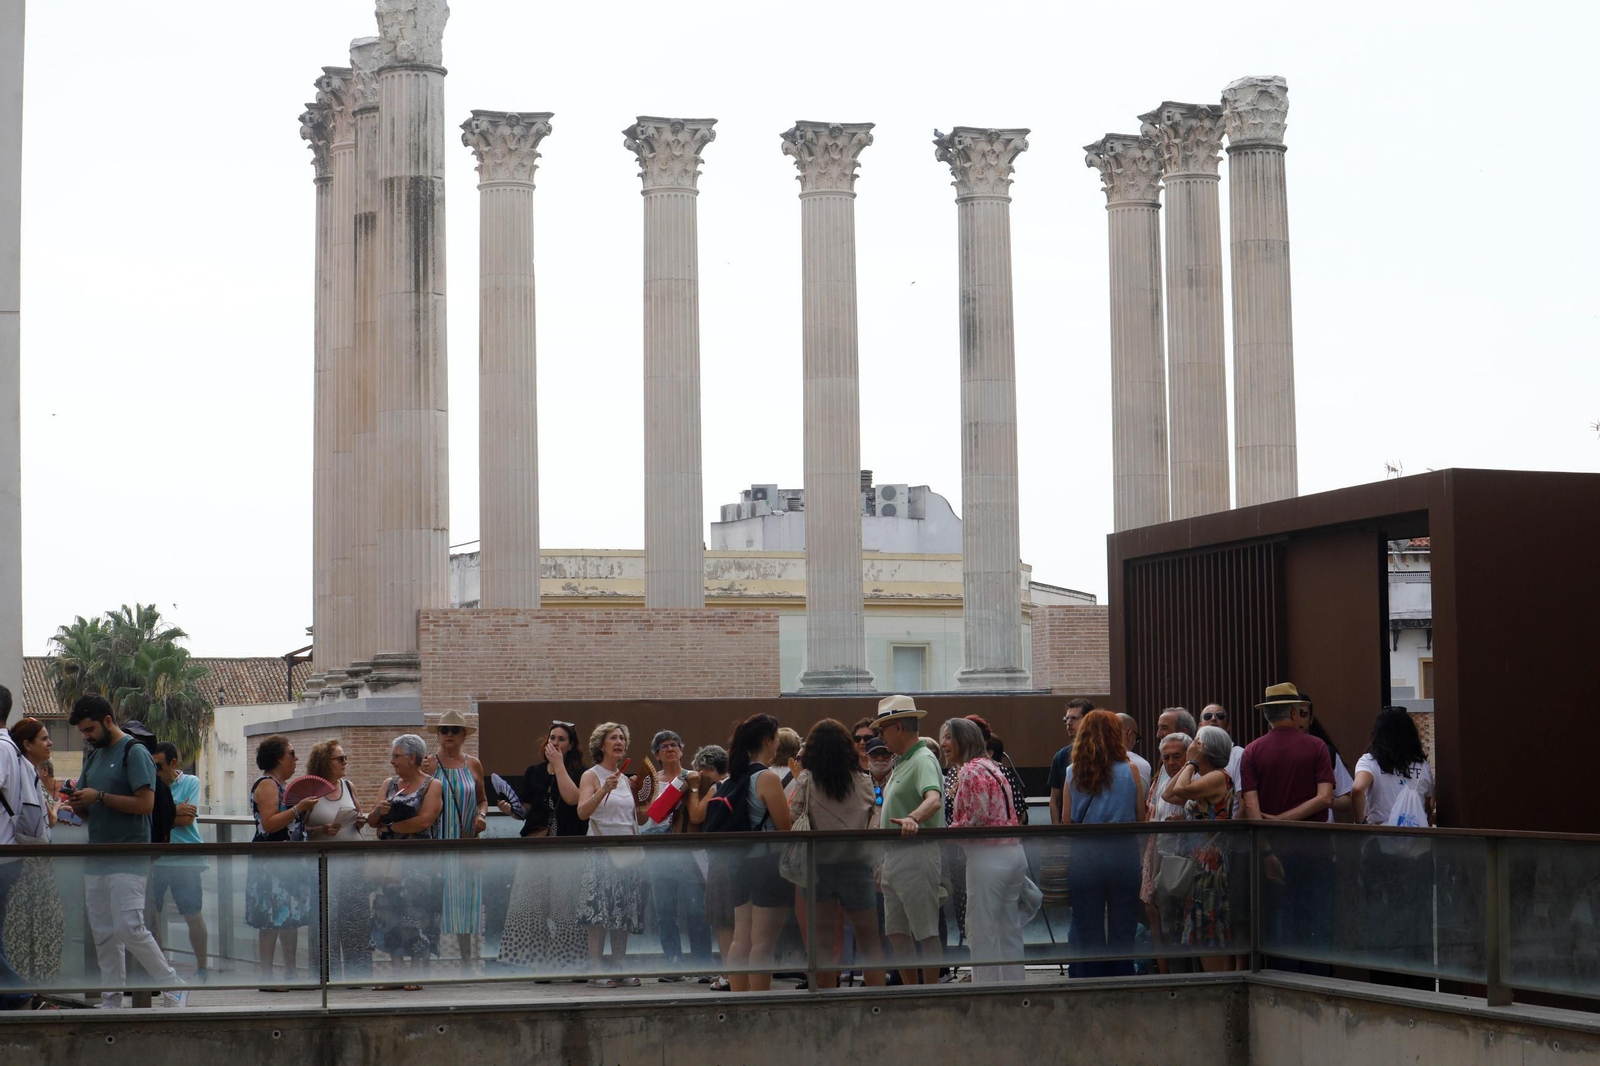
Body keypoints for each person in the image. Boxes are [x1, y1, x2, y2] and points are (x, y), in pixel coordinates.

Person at [65, 695, 188, 1008]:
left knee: (130, 928)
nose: (87, 736)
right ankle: (111, 998)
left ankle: (173, 985)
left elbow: (144, 804)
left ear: (108, 721)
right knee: (103, 932)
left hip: (129, 856)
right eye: (82, 732)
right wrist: (79, 804)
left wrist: (100, 796)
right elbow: (90, 810)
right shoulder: (93, 756)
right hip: (98, 856)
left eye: (90, 729)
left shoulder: (134, 752)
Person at [1239, 683, 1335, 973]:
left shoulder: (1252, 752)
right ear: (1294, 712)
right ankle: (1318, 988)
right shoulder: (1317, 746)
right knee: (1317, 923)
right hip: (1315, 849)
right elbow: (1325, 798)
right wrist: (1287, 818)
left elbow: (1252, 808)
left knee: (1279, 924)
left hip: (1273, 853)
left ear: (1267, 715)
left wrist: (1268, 848)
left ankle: (1283, 990)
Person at [790, 718, 885, 988]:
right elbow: (872, 813)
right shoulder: (863, 781)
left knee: (822, 945)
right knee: (870, 943)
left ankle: (826, 1003)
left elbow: (794, 815)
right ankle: (878, 1003)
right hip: (857, 866)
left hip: (818, 866)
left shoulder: (807, 780)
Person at [1351, 707, 1436, 976]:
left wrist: (1361, 823)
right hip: (1418, 855)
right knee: (1417, 919)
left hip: (1381, 852)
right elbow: (1428, 805)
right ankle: (1418, 978)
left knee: (1380, 918)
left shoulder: (1370, 762)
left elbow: (1356, 789)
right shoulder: (1421, 766)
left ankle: (1384, 976)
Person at [498, 721, 589, 974]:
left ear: (571, 745)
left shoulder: (581, 772)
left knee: (567, 906)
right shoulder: (534, 772)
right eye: (552, 738)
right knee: (530, 904)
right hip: (536, 843)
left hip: (567, 845)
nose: (556, 743)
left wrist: (559, 766)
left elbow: (575, 800)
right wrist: (512, 810)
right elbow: (525, 809)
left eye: (561, 739)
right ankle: (539, 964)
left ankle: (571, 964)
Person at [945, 718, 1027, 984]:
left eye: (948, 737)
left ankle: (986, 990)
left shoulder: (969, 771)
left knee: (981, 928)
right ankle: (1014, 987)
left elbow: (976, 818)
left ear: (962, 741)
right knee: (1008, 928)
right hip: (1013, 853)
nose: (944, 744)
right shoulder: (993, 766)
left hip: (987, 857)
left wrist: (950, 831)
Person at [1064, 709, 1145, 978]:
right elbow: (1140, 818)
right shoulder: (1131, 770)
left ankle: (1090, 982)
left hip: (1086, 856)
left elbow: (1066, 822)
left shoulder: (1072, 772)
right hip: (1124, 856)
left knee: (1088, 928)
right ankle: (1122, 981)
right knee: (1123, 927)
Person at [719, 713, 792, 993]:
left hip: (738, 863)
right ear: (767, 740)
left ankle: (738, 997)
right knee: (764, 942)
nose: (777, 746)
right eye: (776, 739)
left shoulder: (734, 776)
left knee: (741, 937)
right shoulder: (767, 777)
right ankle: (760, 1003)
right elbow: (784, 828)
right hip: (767, 864)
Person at [875, 695, 945, 986]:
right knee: (896, 932)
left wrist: (913, 818)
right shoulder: (903, 761)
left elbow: (934, 799)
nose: (881, 736)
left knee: (925, 931)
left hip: (915, 855)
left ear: (899, 728)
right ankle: (911, 991)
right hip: (895, 857)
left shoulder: (923, 759)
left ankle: (928, 995)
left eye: (884, 729)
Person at [575, 722, 647, 987]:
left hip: (627, 850)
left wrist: (644, 797)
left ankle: (619, 966)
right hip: (601, 850)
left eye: (622, 738)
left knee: (624, 911)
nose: (619, 742)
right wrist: (604, 789)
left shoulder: (627, 779)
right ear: (601, 745)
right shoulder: (591, 775)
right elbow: (582, 812)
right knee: (599, 912)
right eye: (613, 738)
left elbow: (640, 818)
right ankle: (595, 969)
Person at [371, 734, 445, 989]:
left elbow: (425, 820)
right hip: (392, 864)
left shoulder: (432, 786)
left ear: (412, 757)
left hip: (420, 864)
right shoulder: (389, 784)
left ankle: (416, 974)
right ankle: (397, 973)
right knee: (390, 914)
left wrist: (390, 826)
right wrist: (379, 813)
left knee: (418, 915)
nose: (392, 761)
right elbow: (373, 822)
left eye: (396, 756)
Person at [244, 734, 318, 988]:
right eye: (292, 754)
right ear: (278, 758)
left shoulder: (283, 785)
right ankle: (266, 975)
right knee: (271, 918)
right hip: (271, 861)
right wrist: (299, 808)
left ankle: (290, 972)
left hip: (290, 861)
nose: (296, 759)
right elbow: (269, 823)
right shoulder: (267, 784)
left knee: (291, 917)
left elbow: (292, 824)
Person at [1162, 725, 1236, 971]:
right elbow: (1168, 794)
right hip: (1199, 863)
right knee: (1201, 930)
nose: (1192, 745)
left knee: (1208, 931)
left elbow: (1181, 790)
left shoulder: (1217, 776)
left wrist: (1191, 762)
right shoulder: (1203, 779)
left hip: (1211, 865)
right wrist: (1190, 765)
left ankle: (1218, 986)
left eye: (1197, 742)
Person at [641, 729, 711, 981]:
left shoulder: (694, 778)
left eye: (674, 744)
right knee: (665, 908)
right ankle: (674, 964)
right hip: (657, 846)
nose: (670, 749)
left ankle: (703, 965)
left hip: (687, 847)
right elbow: (642, 818)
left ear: (682, 749)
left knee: (696, 907)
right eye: (663, 746)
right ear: (656, 754)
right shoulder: (650, 781)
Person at [423, 710, 488, 969]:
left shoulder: (473, 764)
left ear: (463, 735)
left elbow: (483, 799)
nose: (448, 734)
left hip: (465, 842)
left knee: (466, 901)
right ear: (438, 735)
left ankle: (467, 961)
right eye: (444, 730)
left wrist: (481, 815)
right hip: (436, 842)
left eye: (454, 730)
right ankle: (424, 960)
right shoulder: (428, 763)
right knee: (431, 901)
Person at [5, 717, 64, 997]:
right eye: (43, 738)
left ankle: (32, 993)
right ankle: (24, 993)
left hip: (35, 863)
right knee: (30, 931)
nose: (49, 742)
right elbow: (34, 823)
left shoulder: (28, 772)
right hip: (29, 864)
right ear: (27, 744)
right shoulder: (25, 772)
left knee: (40, 929)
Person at [303, 739, 370, 982]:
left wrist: (359, 819)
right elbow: (299, 829)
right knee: (325, 922)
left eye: (345, 757)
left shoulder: (348, 786)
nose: (345, 762)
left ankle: (357, 977)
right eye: (340, 758)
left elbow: (358, 812)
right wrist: (321, 828)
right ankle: (324, 977)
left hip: (353, 861)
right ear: (324, 762)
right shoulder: (310, 790)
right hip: (323, 864)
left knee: (356, 920)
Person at [149, 742, 210, 984]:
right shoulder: (150, 785)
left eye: (159, 766)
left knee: (193, 915)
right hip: (157, 859)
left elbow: (186, 819)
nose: (155, 771)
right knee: (152, 917)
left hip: (186, 859)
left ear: (173, 764)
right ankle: (159, 971)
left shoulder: (191, 782)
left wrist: (161, 815)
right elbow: (148, 815)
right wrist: (172, 812)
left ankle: (202, 968)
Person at [1142, 730, 1192, 973]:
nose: (1171, 763)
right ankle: (1176, 977)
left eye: (1177, 757)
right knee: (1168, 926)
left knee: (1191, 927)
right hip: (1166, 864)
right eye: (1166, 758)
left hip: (1193, 865)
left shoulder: (1197, 778)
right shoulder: (1161, 781)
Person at [687, 744, 733, 989]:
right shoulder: (738, 783)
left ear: (708, 770)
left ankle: (729, 972)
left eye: (700, 772)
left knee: (723, 917)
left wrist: (694, 788)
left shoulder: (717, 788)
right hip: (738, 858)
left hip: (720, 859)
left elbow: (695, 815)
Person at [1294, 693, 1354, 821]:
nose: (1298, 720)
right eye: (1294, 715)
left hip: (1322, 832)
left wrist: (1327, 799)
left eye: (1303, 715)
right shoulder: (1276, 752)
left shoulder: (1326, 753)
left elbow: (1347, 800)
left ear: (1311, 720)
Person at [1048, 697, 1094, 825]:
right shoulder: (1062, 756)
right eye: (1066, 719)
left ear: (1088, 720)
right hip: (1070, 831)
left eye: (1074, 718)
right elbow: (1055, 800)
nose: (1068, 723)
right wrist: (1059, 833)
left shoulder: (1104, 754)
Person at [1197, 705, 1244, 818]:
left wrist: (1234, 833)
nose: (1213, 719)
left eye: (1220, 716)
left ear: (1228, 726)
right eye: (1207, 716)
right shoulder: (1196, 757)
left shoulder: (1238, 754)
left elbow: (1244, 803)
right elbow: (1169, 795)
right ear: (1199, 726)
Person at [1116, 712, 1151, 795]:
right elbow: (1142, 800)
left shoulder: (1089, 761)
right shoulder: (1141, 764)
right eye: (1137, 738)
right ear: (1130, 735)